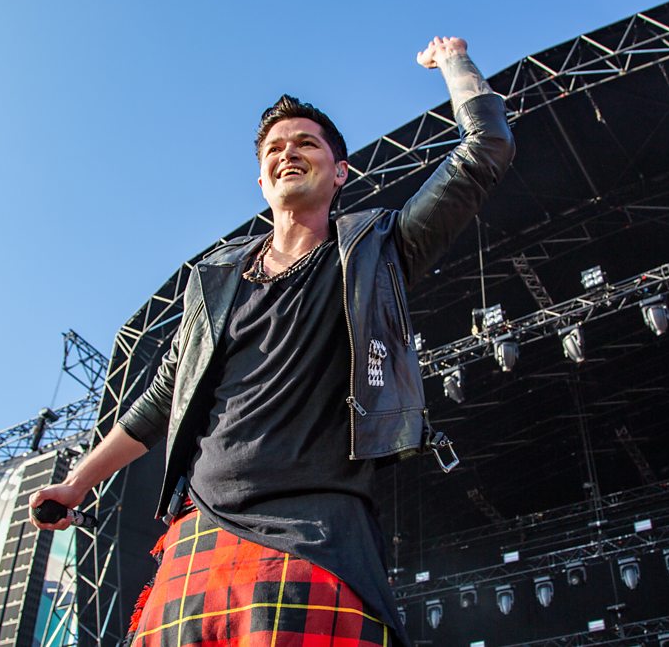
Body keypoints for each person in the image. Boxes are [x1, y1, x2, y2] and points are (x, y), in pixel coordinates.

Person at [30, 36, 515, 647]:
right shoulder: (214, 283)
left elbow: (487, 147)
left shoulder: (377, 251)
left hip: (314, 538)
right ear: (261, 179)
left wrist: (453, 61)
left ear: (340, 172)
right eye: (274, 149)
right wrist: (77, 483)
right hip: (199, 531)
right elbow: (161, 399)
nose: (288, 153)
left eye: (306, 144)